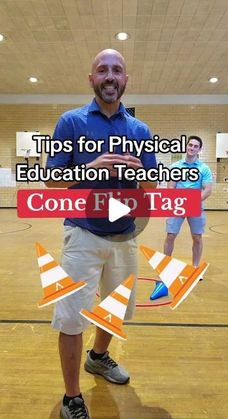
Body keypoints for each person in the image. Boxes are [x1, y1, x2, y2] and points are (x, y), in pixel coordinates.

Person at [45, 49, 157, 419]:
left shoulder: (140, 131)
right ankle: (72, 397)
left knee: (114, 309)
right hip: (82, 233)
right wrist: (91, 167)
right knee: (73, 316)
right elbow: (51, 179)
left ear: (126, 80)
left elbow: (152, 186)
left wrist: (141, 172)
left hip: (124, 236)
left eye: (117, 70)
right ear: (91, 79)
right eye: (102, 70)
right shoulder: (71, 123)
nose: (110, 76)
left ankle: (98, 358)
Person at [150, 135, 213, 300]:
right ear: (186, 147)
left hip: (195, 206)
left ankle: (195, 268)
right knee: (170, 236)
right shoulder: (175, 166)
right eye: (190, 145)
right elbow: (171, 187)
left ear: (199, 150)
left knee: (197, 237)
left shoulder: (204, 169)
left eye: (195, 146)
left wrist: (191, 201)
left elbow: (207, 190)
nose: (192, 148)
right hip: (177, 205)